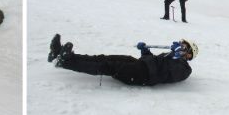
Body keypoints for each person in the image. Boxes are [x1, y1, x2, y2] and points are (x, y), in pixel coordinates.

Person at [48, 34, 195, 86]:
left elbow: (173, 73)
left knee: (107, 65)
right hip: (140, 64)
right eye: (182, 44)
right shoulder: (170, 55)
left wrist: (176, 57)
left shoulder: (185, 69)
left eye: (185, 47)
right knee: (103, 58)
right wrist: (145, 51)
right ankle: (65, 55)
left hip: (143, 75)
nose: (182, 47)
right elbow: (154, 61)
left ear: (189, 55)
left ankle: (65, 62)